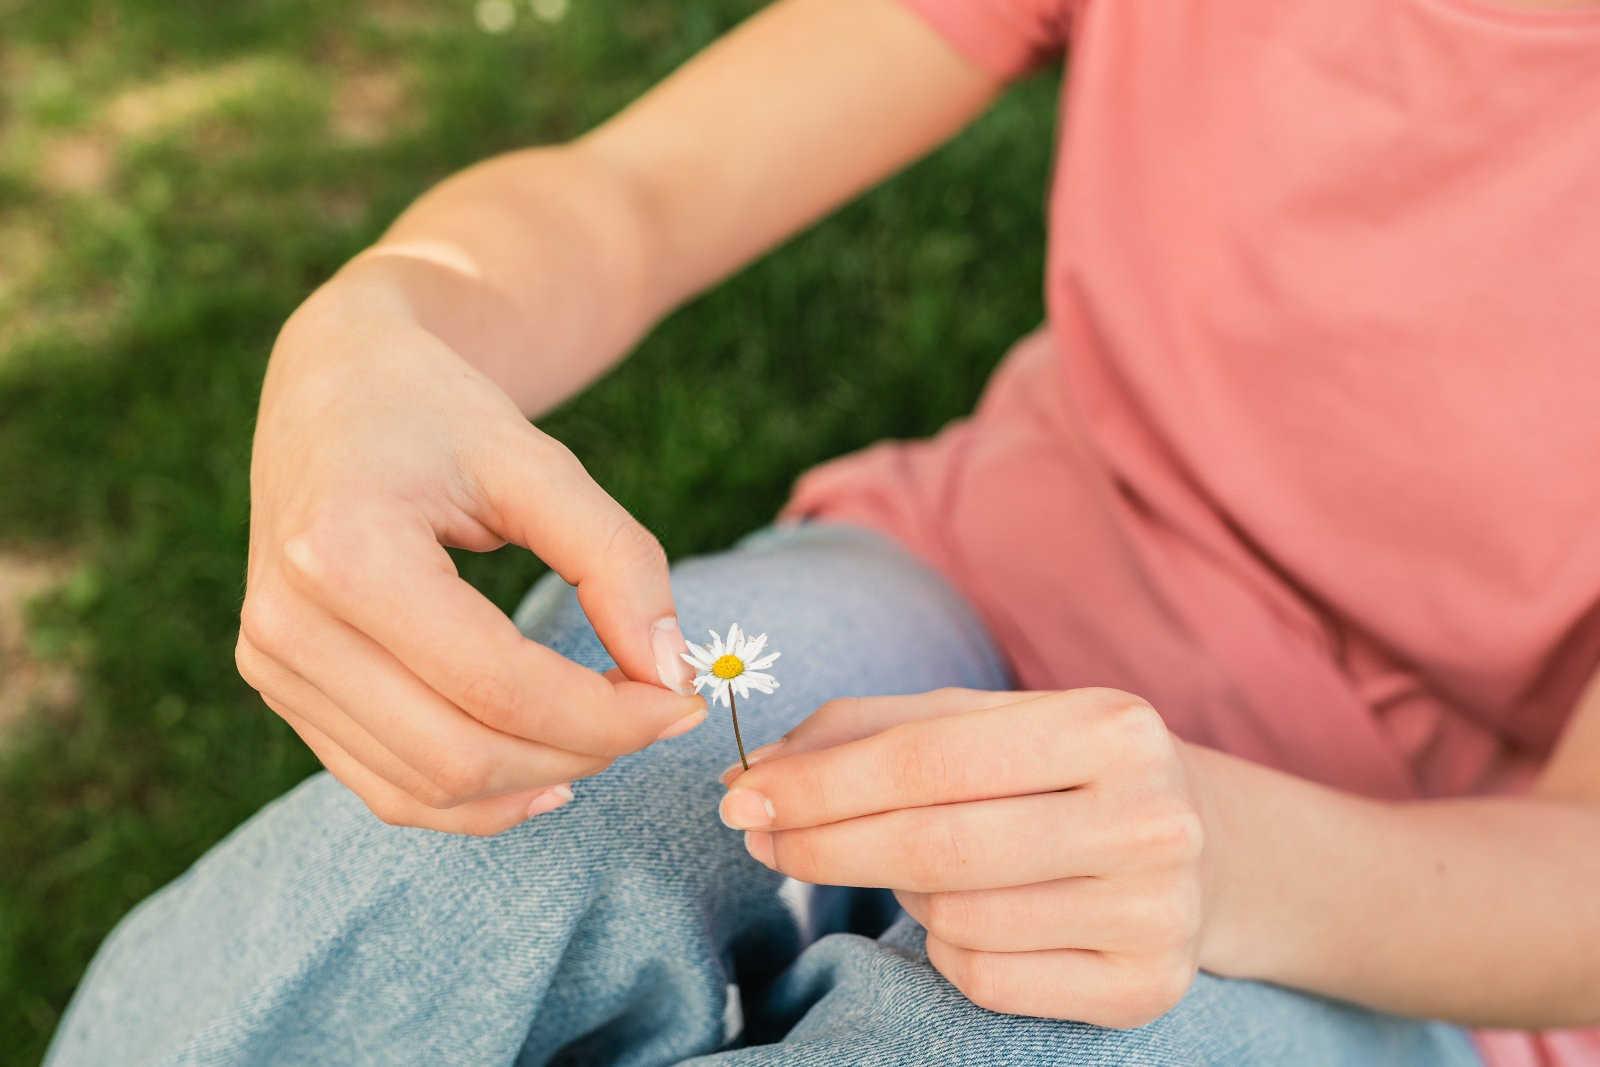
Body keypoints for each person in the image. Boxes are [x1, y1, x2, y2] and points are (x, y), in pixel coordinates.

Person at [47, 0, 1600, 1064]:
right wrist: (384, 324)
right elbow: (636, 196)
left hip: (1402, 914)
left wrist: (1224, 864)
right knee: (480, 870)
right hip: (984, 587)